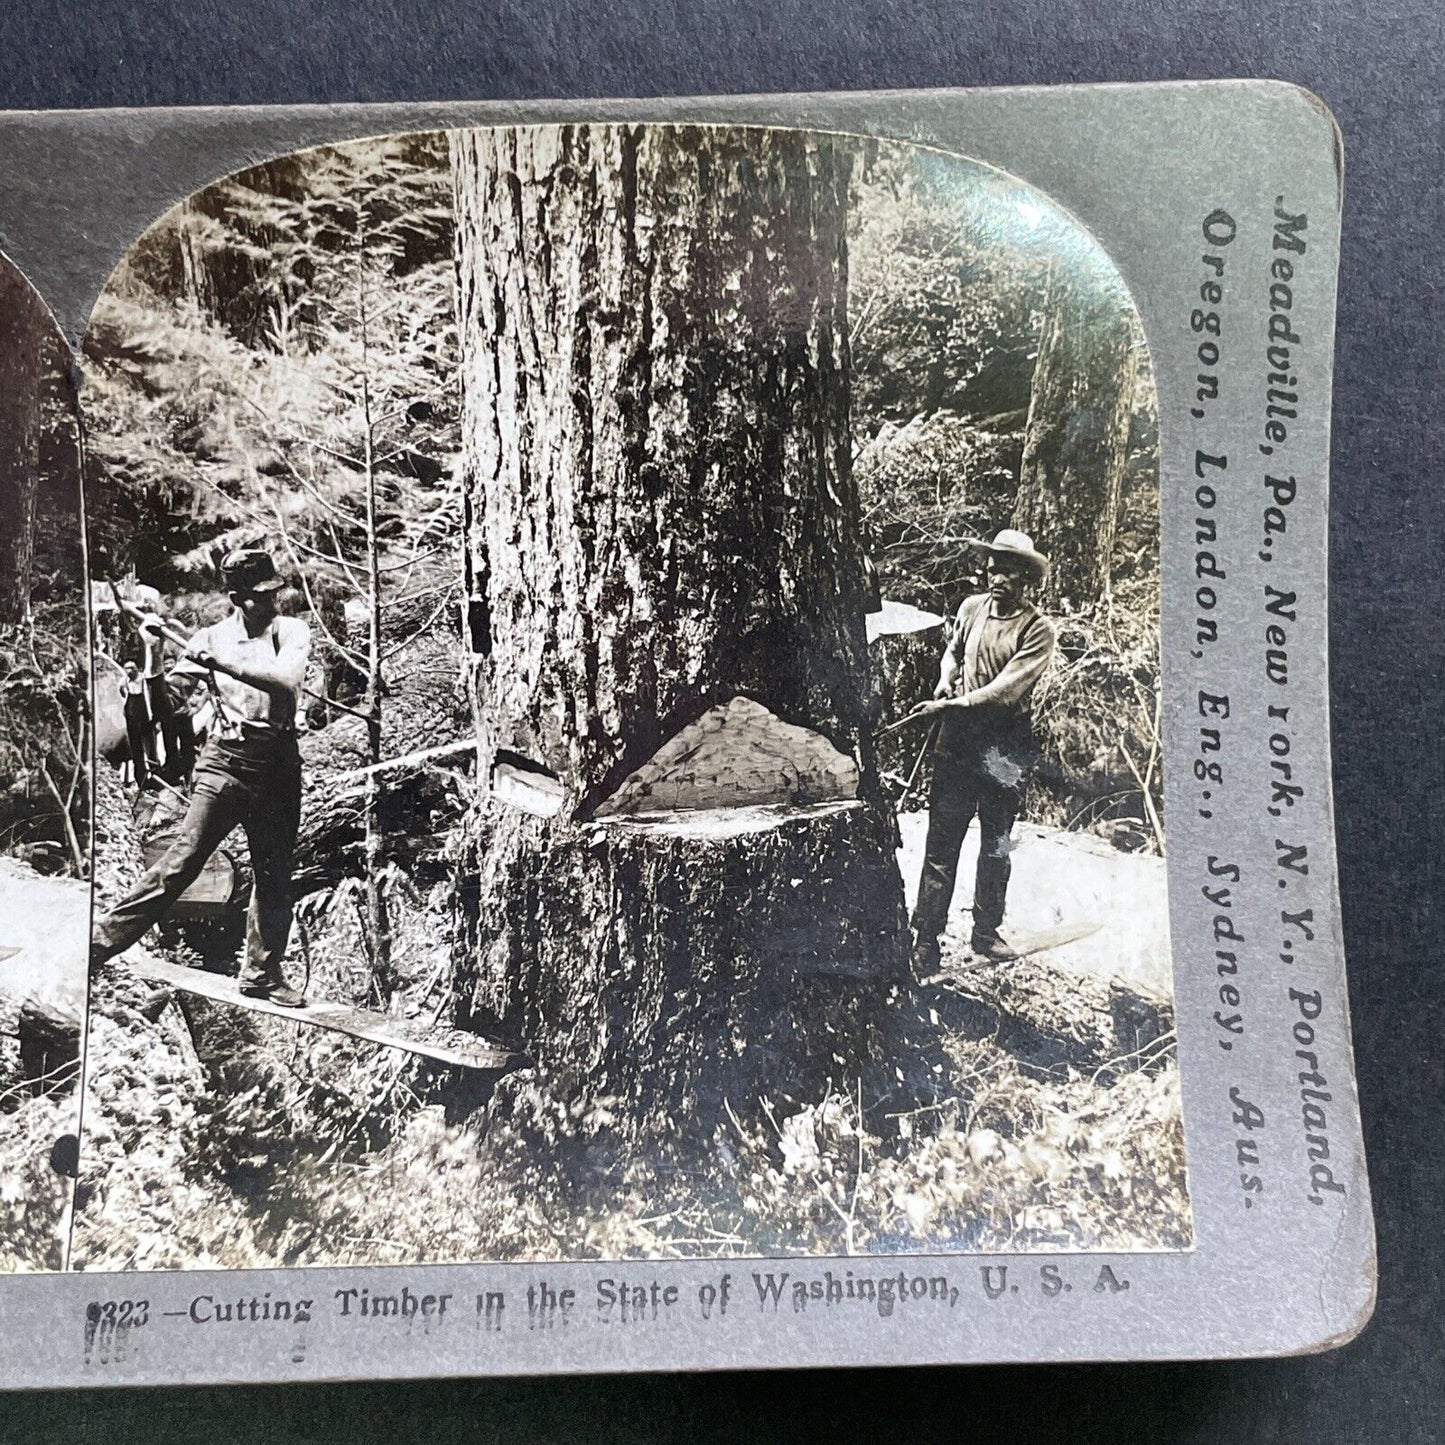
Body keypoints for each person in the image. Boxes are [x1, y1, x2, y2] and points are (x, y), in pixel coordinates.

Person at [91, 548, 312, 1007]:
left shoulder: (291, 630)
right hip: (226, 762)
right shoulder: (212, 638)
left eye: (274, 592)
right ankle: (96, 945)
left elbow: (285, 681)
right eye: (259, 597)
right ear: (236, 597)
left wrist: (218, 663)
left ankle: (261, 975)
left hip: (278, 764)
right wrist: (154, 654)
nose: (271, 603)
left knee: (274, 875)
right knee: (183, 861)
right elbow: (168, 703)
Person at [908, 528, 1057, 974]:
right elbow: (951, 653)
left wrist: (952, 703)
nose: (998, 577)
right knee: (942, 840)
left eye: (1009, 570)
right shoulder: (971, 609)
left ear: (1026, 579)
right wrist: (944, 679)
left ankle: (986, 932)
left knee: (996, 843)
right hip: (957, 742)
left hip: (1003, 748)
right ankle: (926, 939)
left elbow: (1004, 690)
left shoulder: (1038, 630)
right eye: (994, 567)